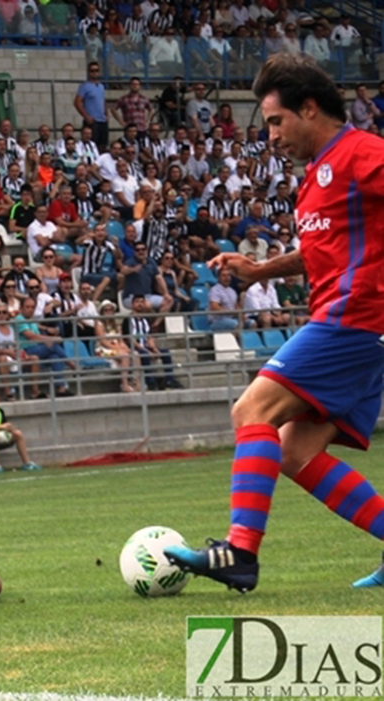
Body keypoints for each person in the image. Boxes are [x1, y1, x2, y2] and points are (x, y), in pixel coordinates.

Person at [165, 55, 384, 592]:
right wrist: (262, 268)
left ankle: (239, 552)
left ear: (309, 109)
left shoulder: (362, 153)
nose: (271, 136)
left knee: (253, 408)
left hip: (357, 316)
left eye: (275, 121)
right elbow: (320, 250)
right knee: (294, 450)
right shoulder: (318, 175)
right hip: (353, 320)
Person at [0, 388, 39, 473]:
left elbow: (5, 426)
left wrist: (10, 429)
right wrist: (1, 427)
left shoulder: (0, 411)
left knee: (18, 433)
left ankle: (27, 463)